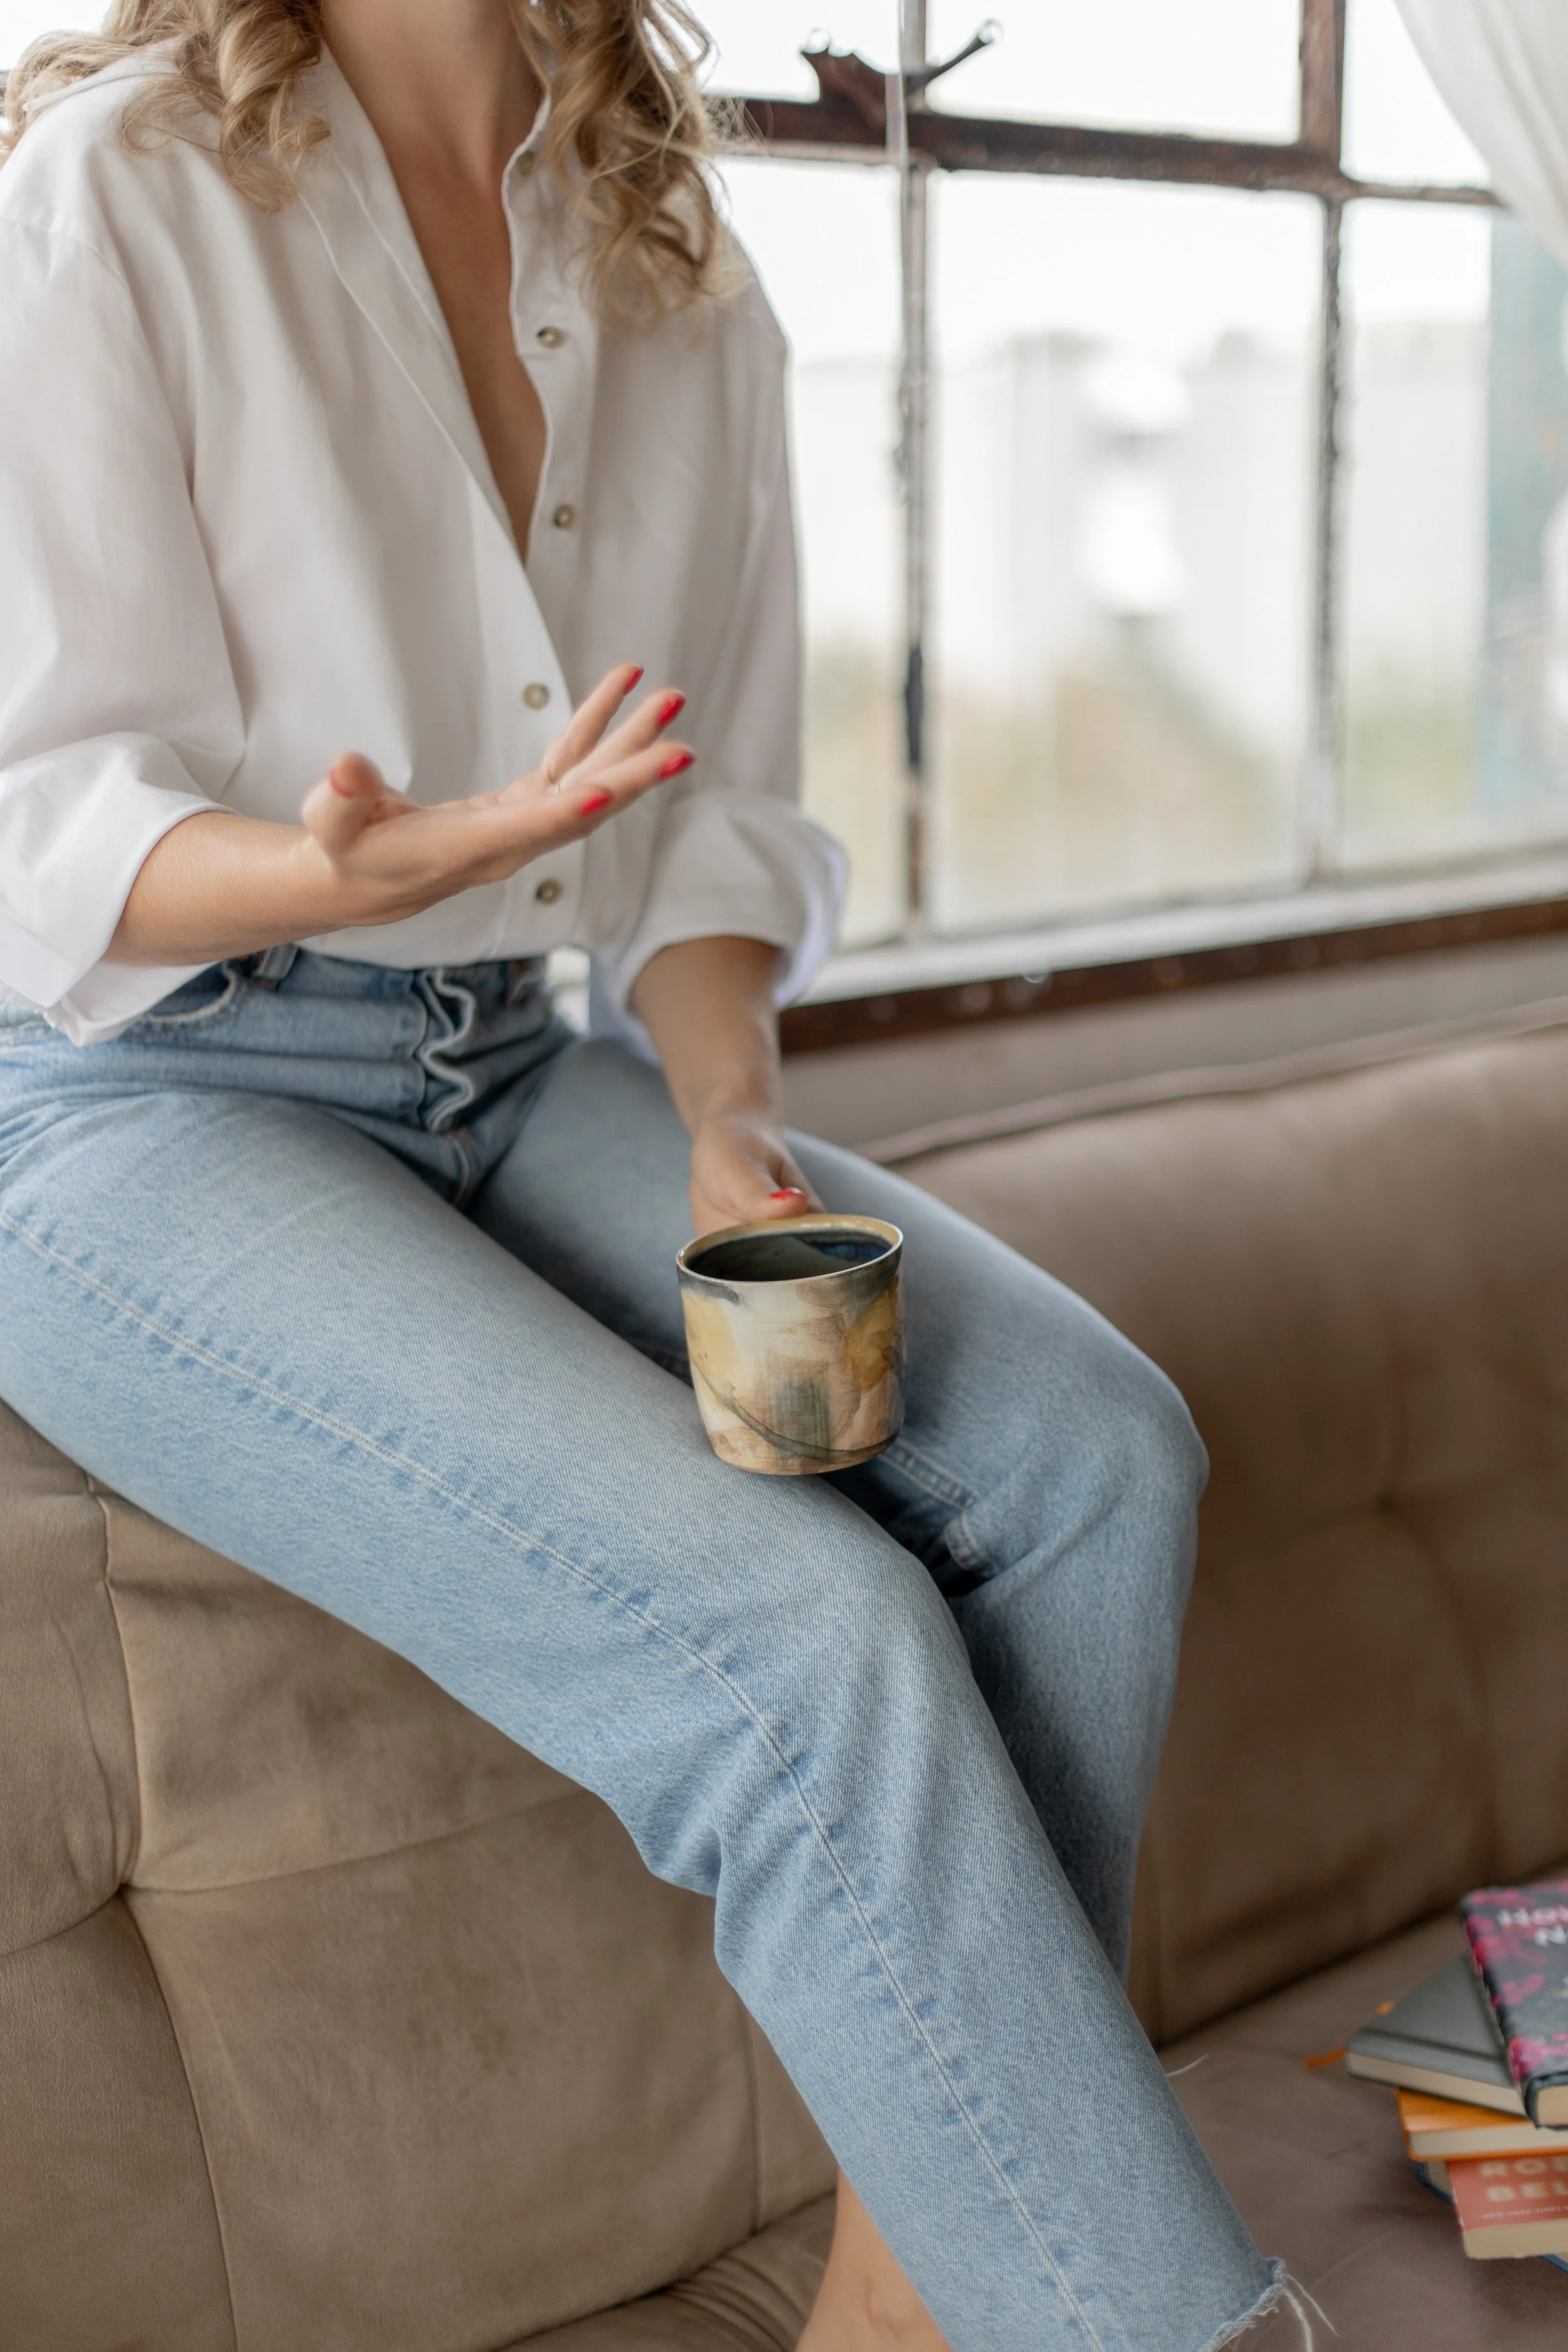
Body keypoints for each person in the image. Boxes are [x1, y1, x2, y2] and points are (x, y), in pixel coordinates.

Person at [0, 4, 1298, 2344]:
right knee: (811, 1654)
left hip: (520, 1054)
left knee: (1092, 1458)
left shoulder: (672, 253)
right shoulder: (122, 182)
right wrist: (338, 871)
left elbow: (707, 825)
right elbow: (45, 818)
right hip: (132, 1096)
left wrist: (720, 1120)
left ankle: (920, 2276)